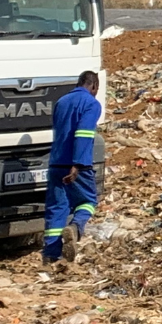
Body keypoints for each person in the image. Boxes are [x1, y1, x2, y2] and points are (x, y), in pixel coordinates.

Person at [44, 70, 102, 263]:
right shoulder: (91, 103)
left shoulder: (61, 102)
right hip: (77, 164)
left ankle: (51, 256)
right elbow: (83, 133)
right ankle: (75, 228)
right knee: (88, 201)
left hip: (56, 162)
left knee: (57, 207)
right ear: (94, 86)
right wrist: (77, 164)